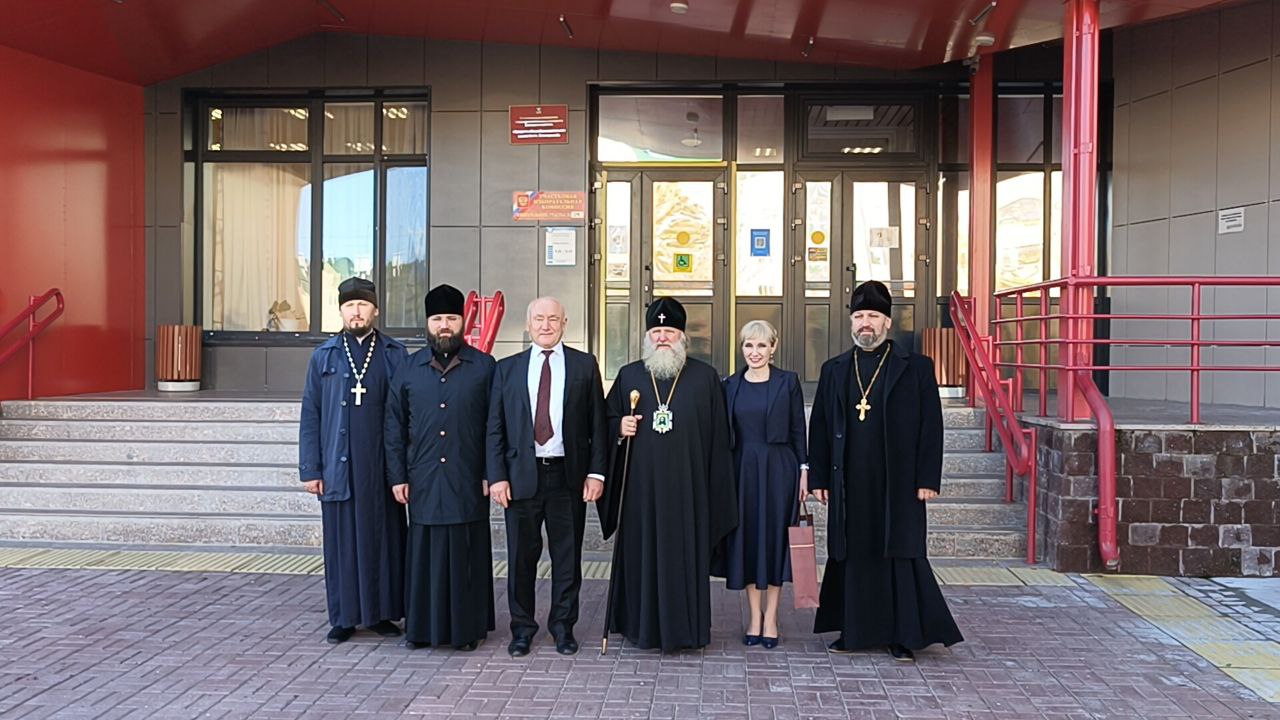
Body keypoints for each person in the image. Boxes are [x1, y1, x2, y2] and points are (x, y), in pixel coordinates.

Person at [808, 280, 964, 662]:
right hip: (849, 480)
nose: (866, 323)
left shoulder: (916, 367)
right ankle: (853, 630)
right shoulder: (834, 369)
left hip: (899, 482)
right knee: (853, 555)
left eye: (873, 316)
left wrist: (928, 478)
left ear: (888, 322)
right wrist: (819, 478)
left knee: (898, 553)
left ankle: (901, 635)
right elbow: (821, 426)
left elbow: (932, 426)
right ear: (851, 322)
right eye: (859, 316)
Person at [600, 297, 737, 652]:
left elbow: (719, 440)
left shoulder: (705, 378)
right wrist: (619, 427)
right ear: (647, 336)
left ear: (682, 337)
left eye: (669, 332)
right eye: (656, 332)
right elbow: (604, 422)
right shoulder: (630, 375)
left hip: (689, 493)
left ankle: (685, 632)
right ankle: (639, 627)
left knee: (683, 560)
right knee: (641, 557)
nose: (662, 338)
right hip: (640, 494)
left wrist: (715, 494)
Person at [486, 297, 608, 658]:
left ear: (564, 323)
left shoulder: (585, 365)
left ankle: (562, 628)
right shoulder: (506, 369)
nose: (546, 325)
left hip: (567, 476)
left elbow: (598, 425)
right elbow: (495, 428)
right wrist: (497, 476)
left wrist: (596, 473)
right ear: (528, 324)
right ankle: (522, 629)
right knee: (520, 559)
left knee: (567, 558)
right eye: (539, 318)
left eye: (553, 319)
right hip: (521, 477)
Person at [385, 283, 496, 651]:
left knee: (467, 554)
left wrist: (491, 473)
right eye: (437, 319)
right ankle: (421, 629)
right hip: (423, 477)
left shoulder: (484, 366)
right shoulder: (408, 367)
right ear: (427, 323)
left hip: (468, 477)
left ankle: (467, 630)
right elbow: (394, 426)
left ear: (463, 322)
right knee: (425, 555)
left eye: (451, 318)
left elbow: (495, 425)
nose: (444, 325)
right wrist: (398, 476)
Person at [298, 277, 408, 644]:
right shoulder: (324, 355)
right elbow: (311, 414)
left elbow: (407, 414)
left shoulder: (394, 354)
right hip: (338, 467)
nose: (356, 312)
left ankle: (381, 614)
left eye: (362, 305)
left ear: (375, 310)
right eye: (349, 306)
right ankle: (344, 617)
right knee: (342, 544)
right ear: (341, 311)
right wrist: (311, 468)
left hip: (381, 468)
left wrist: (404, 469)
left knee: (384, 541)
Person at [714, 319, 807, 649]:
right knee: (749, 541)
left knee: (775, 541)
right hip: (742, 472)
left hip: (780, 470)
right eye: (748, 345)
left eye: (761, 345)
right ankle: (754, 617)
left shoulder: (788, 382)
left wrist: (804, 469)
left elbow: (798, 429)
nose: (754, 352)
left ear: (773, 347)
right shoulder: (730, 385)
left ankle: (771, 618)